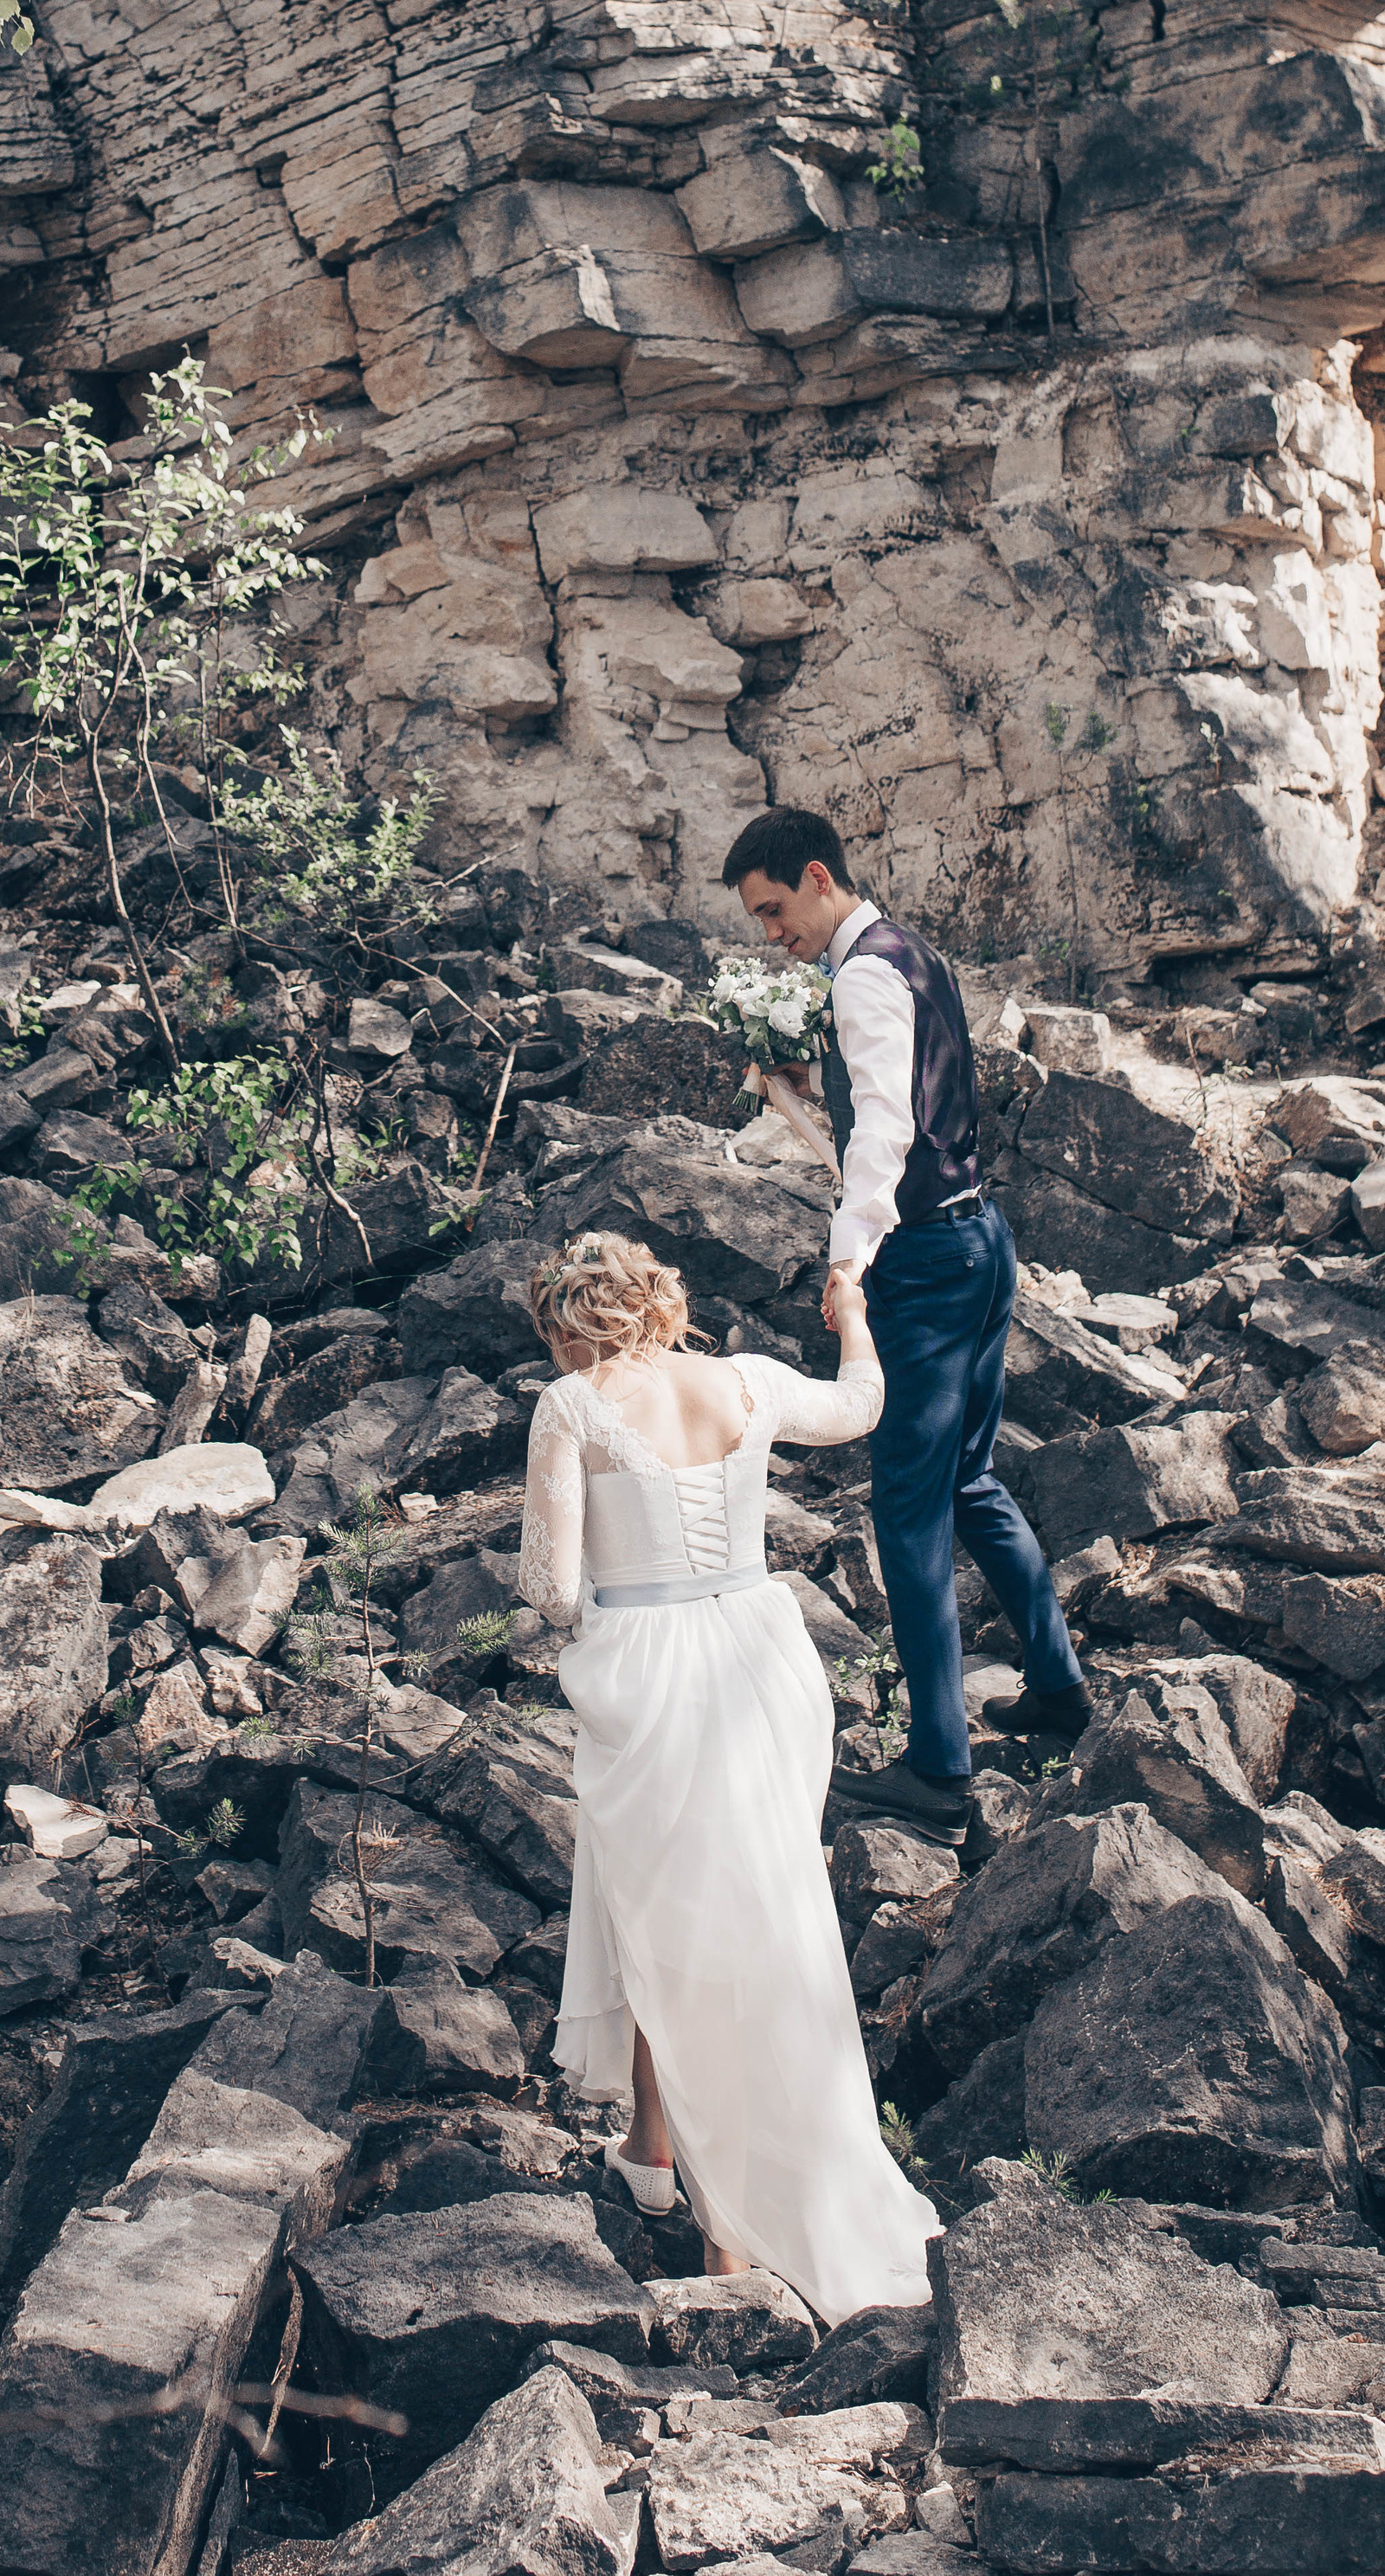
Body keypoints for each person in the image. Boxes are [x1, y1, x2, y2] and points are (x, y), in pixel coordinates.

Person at [519, 1229, 939, 2322]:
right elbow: (860, 1409)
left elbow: (551, 1586)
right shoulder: (744, 1380)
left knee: (679, 1924)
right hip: (762, 1653)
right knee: (750, 1909)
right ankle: (650, 2146)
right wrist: (850, 1315)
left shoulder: (569, 1409)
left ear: (567, 1320)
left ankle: (728, 2233)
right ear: (659, 1300)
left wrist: (605, 1593)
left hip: (651, 1672)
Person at [721, 806, 1089, 1835]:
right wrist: (805, 1089)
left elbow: (885, 1127)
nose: (769, 935)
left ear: (815, 875)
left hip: (924, 1265)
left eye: (774, 910)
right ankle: (1057, 1693)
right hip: (981, 1242)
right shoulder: (907, 951)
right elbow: (910, 1104)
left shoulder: (863, 973)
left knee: (908, 1507)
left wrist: (848, 1260)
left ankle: (938, 1776)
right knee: (968, 1478)